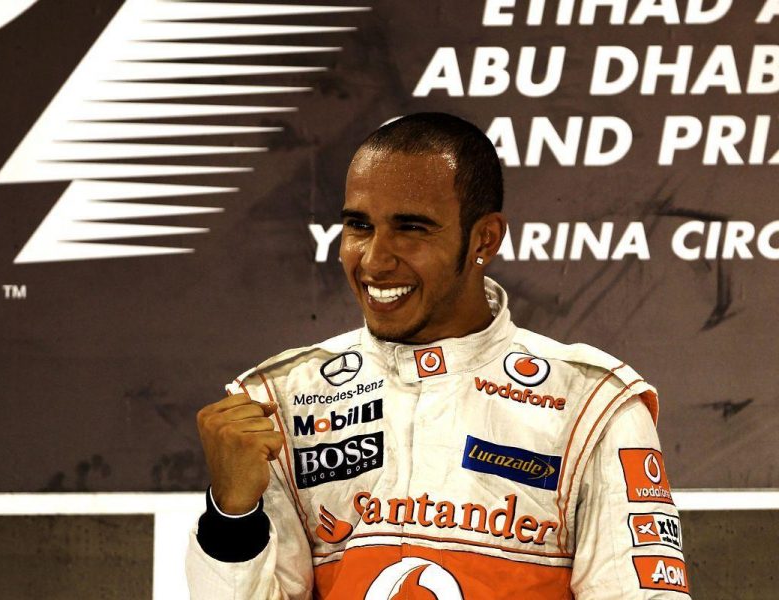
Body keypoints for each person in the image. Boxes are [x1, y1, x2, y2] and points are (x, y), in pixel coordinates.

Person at [186, 113, 690, 599]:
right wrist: (232, 516)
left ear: (483, 239)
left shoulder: (591, 405)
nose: (376, 260)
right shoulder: (282, 402)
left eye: (412, 228)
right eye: (359, 226)